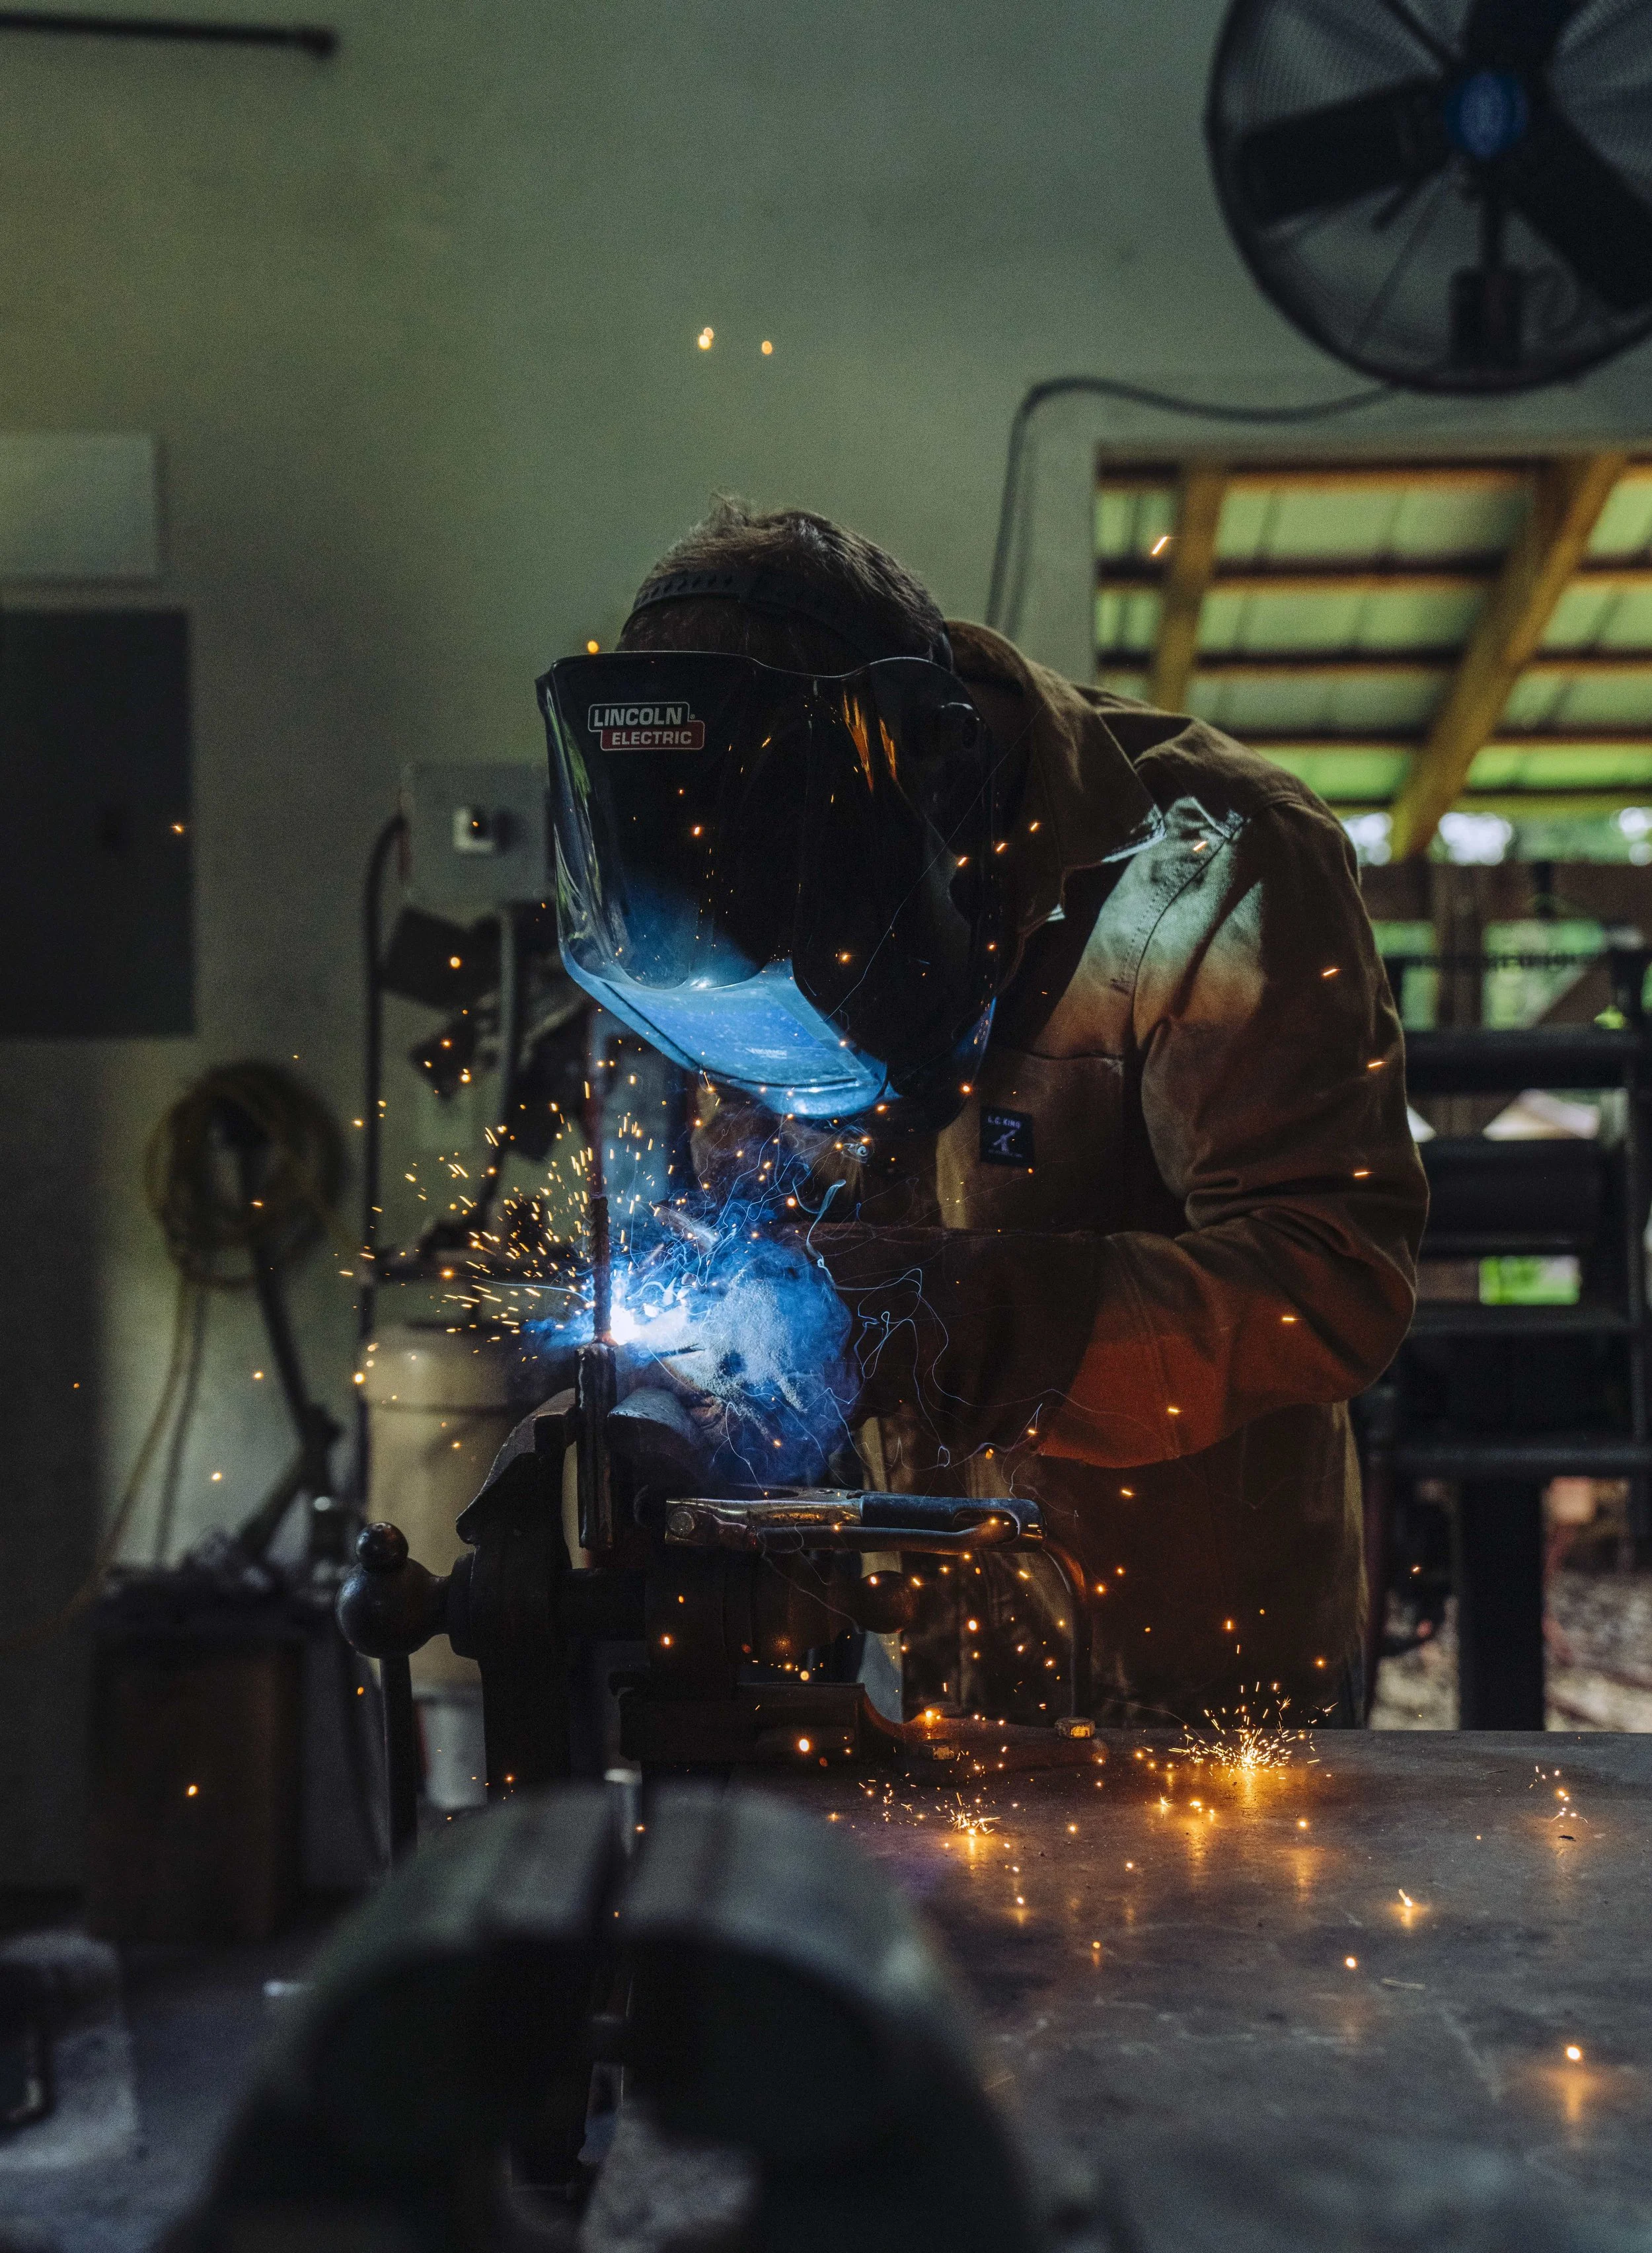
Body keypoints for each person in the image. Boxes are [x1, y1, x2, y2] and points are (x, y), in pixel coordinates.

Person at [541, 498, 1428, 1728]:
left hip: (1188, 1686)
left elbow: (1330, 1283)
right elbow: (754, 1205)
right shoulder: (730, 862)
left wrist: (932, 1319)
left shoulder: (1213, 865)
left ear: (927, 780)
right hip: (921, 1667)